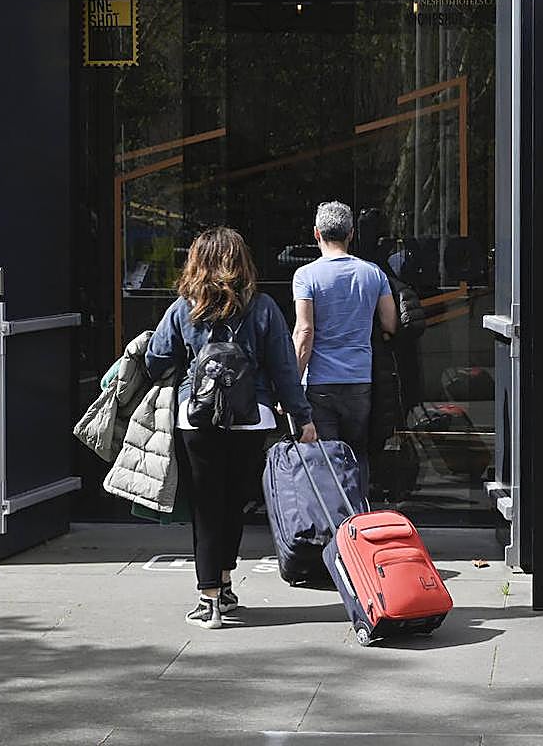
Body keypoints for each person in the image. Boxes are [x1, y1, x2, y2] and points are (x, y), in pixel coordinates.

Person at [147, 227, 316, 630]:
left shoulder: (183, 308)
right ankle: (224, 584)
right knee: (234, 504)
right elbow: (284, 368)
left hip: (196, 419)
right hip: (251, 418)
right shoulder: (263, 308)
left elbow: (157, 361)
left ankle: (209, 602)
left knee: (206, 509)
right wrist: (302, 416)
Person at [292, 202, 398, 494]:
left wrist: (289, 382)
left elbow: (304, 331)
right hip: (360, 379)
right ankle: (359, 522)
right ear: (351, 234)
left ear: (316, 234)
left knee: (325, 457)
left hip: (321, 381)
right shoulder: (373, 273)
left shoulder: (305, 276)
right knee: (357, 453)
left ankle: (333, 526)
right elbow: (390, 322)